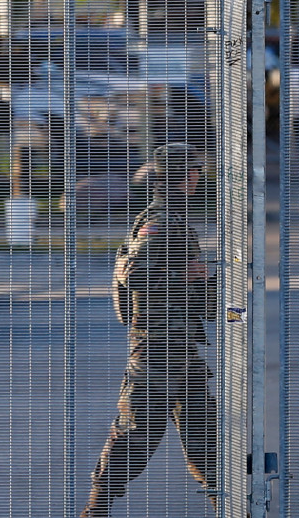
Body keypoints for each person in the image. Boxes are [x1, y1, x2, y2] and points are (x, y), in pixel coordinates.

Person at [82, 143, 219, 516]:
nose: (198, 176)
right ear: (183, 176)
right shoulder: (159, 219)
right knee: (136, 434)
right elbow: (132, 274)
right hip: (157, 346)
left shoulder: (174, 215)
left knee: (206, 437)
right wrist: (183, 275)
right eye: (194, 169)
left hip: (180, 348)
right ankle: (94, 511)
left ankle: (233, 504)